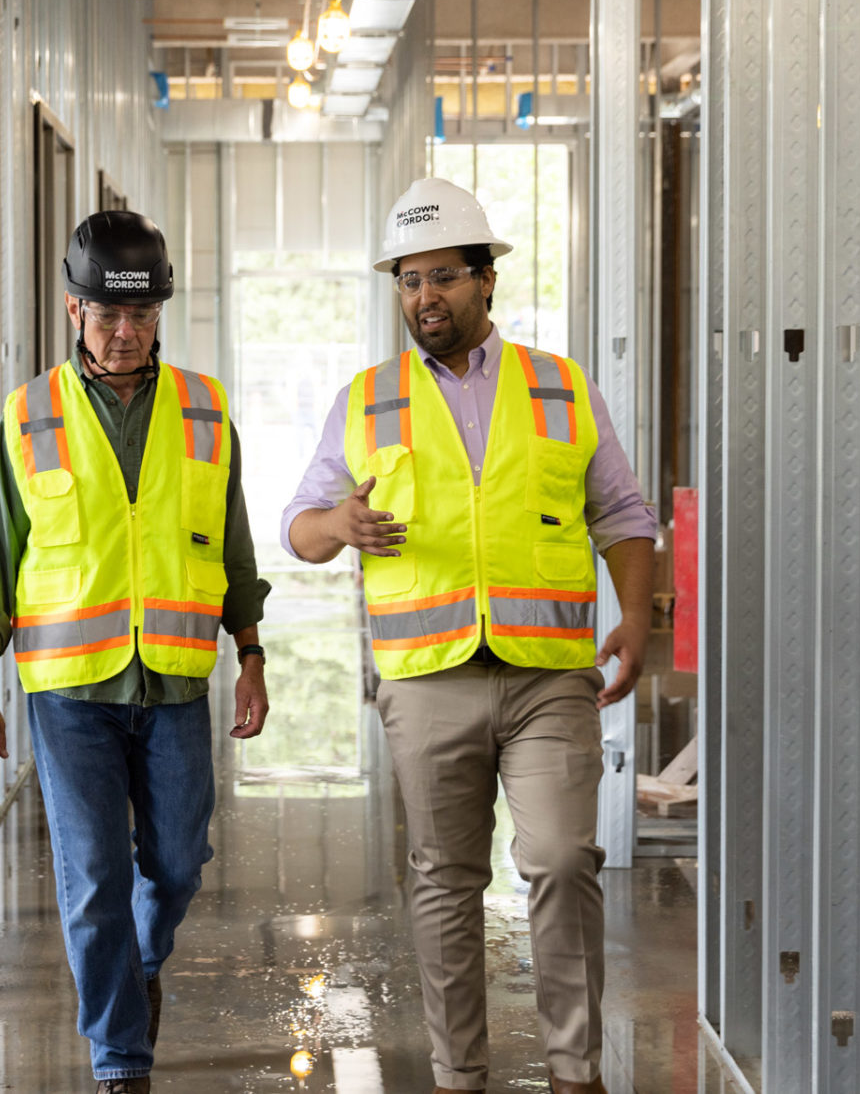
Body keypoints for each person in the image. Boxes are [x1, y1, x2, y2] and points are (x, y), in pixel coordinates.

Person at [281, 179, 656, 1094]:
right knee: (445, 880)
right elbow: (298, 526)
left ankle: (576, 1072)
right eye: (408, 282)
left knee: (564, 860)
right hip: (425, 678)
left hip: (547, 676)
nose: (424, 298)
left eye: (442, 276)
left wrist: (637, 616)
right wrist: (341, 524)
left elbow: (622, 513)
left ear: (487, 281)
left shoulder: (561, 387)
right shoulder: (368, 399)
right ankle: (460, 1075)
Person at [0, 210, 271, 1094]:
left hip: (174, 680)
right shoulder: (29, 417)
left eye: (139, 315)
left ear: (161, 310)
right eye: (105, 316)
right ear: (73, 310)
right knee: (92, 877)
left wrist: (251, 653)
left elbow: (233, 548)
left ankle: (137, 965)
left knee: (176, 861)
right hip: (67, 694)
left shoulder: (206, 412)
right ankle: (120, 1058)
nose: (124, 333)